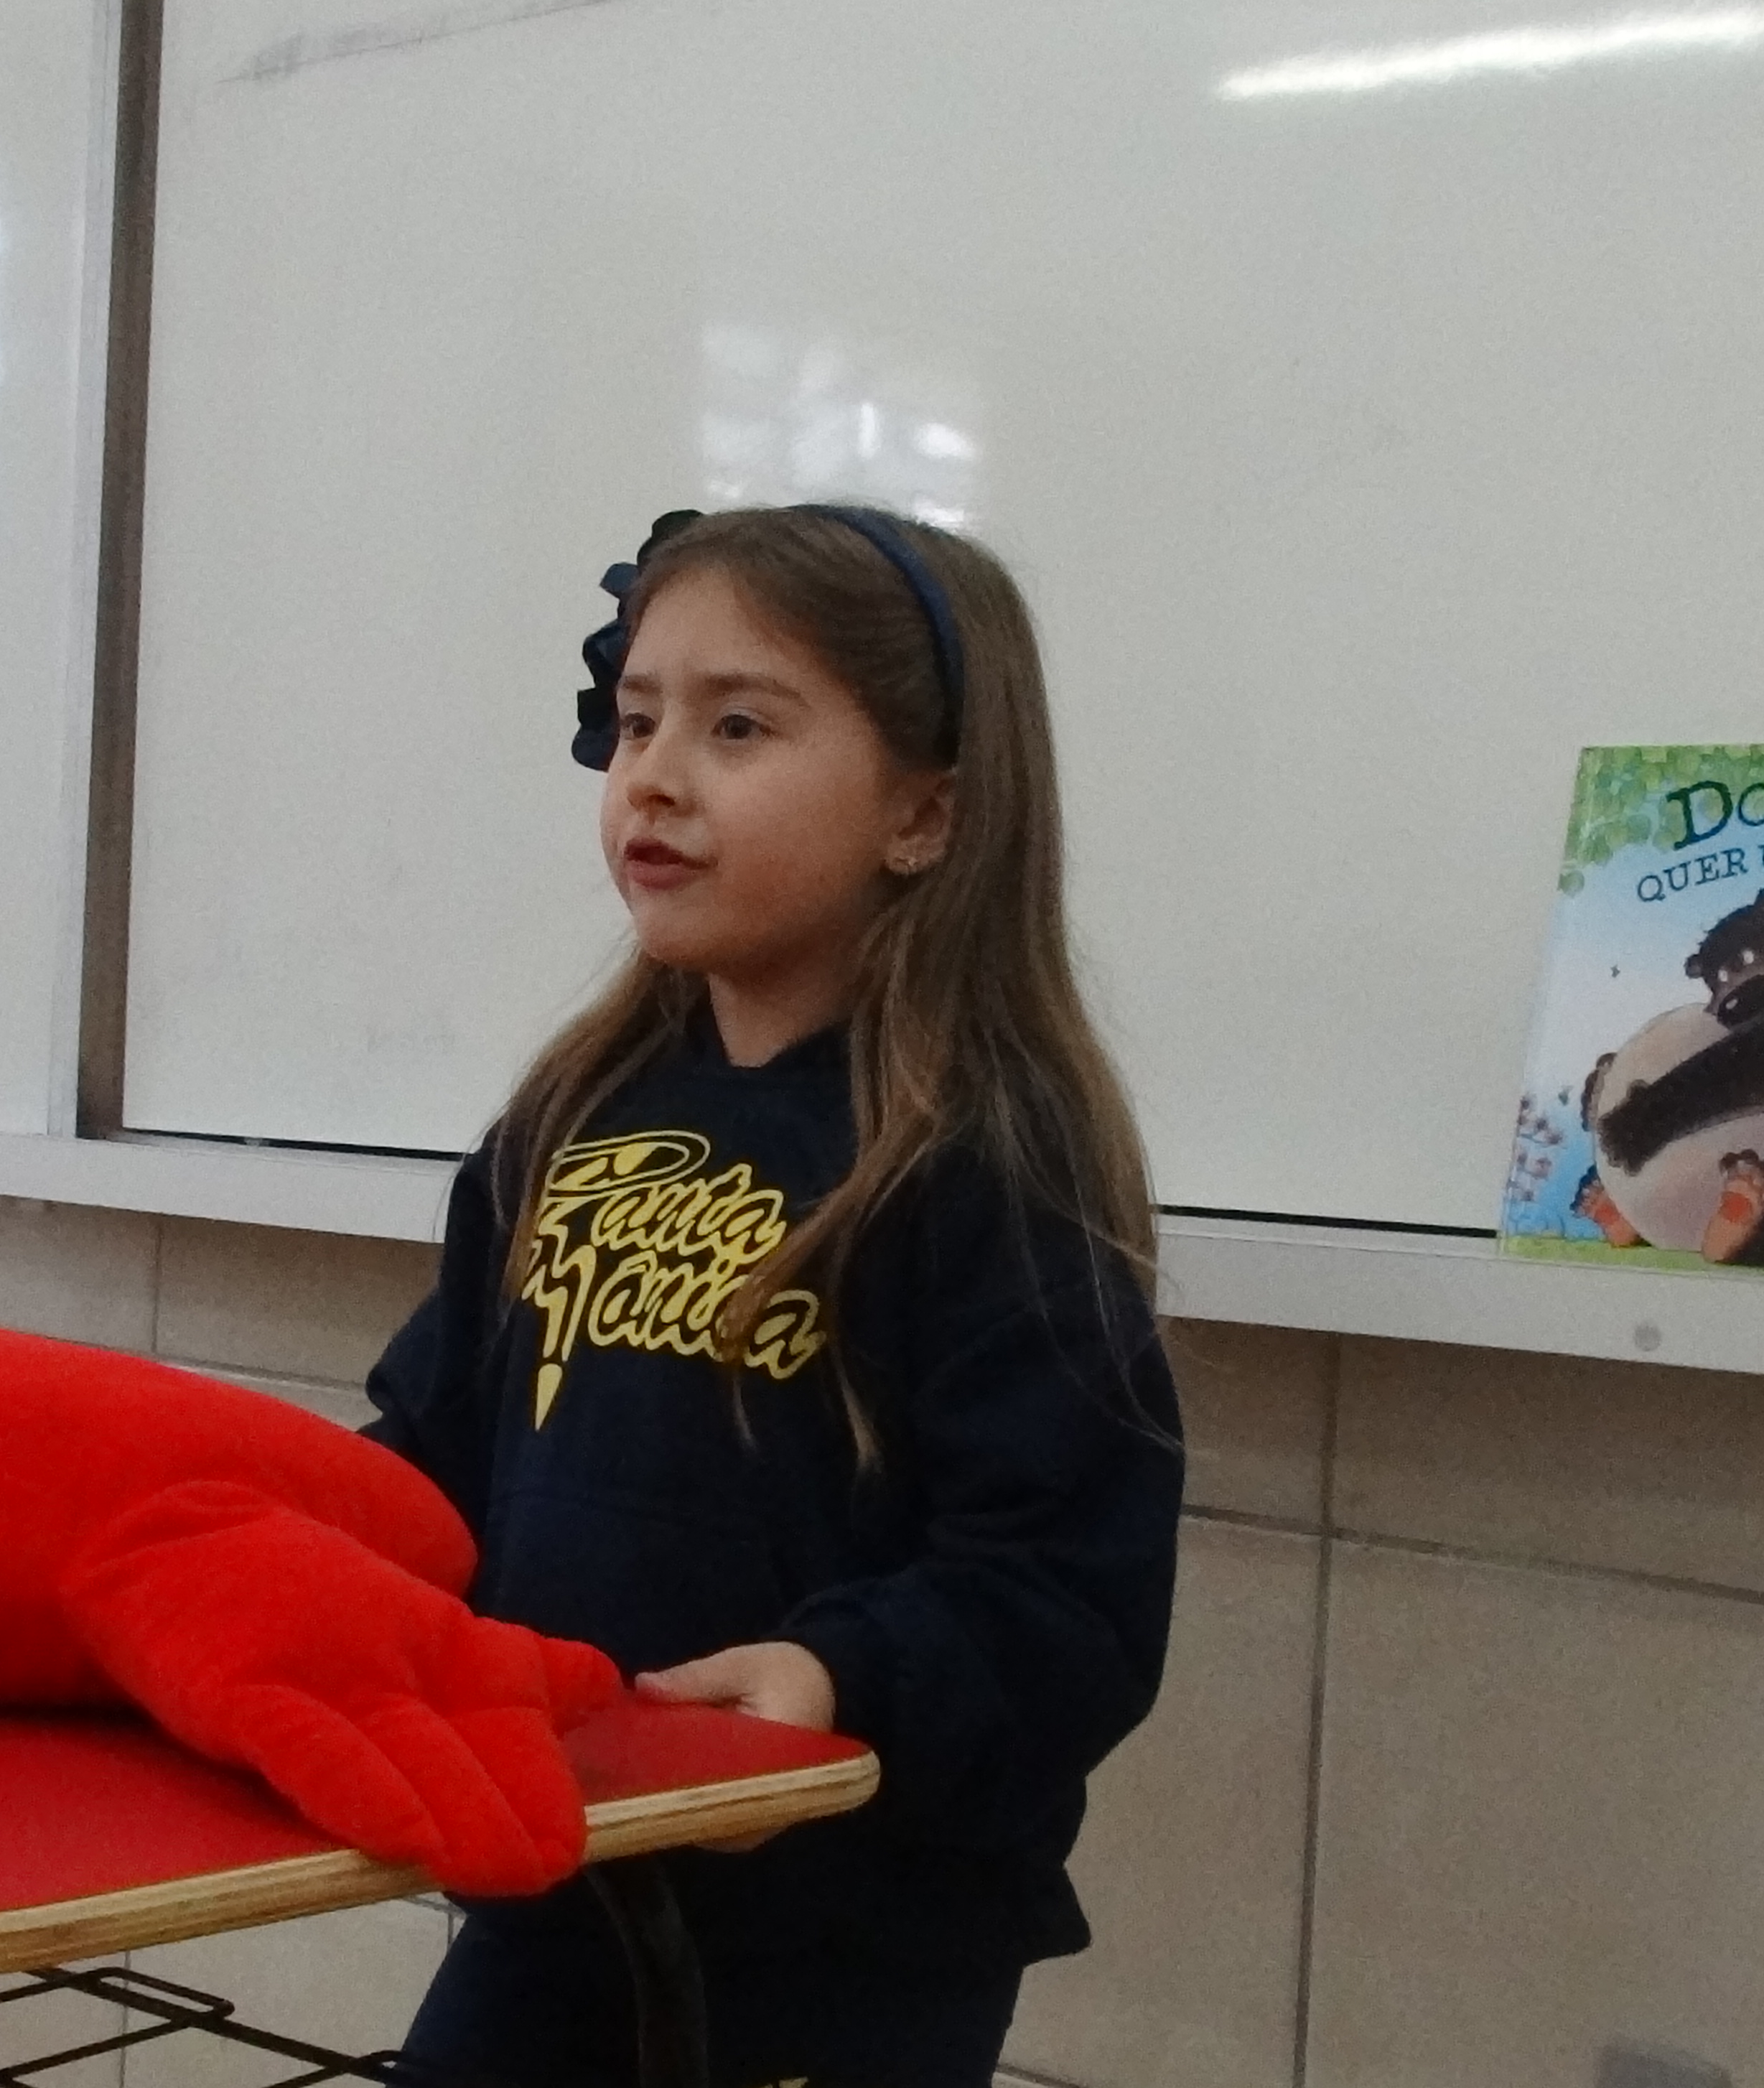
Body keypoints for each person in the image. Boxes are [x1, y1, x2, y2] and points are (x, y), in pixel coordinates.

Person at [362, 504, 1185, 2086]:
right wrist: (318, 1569)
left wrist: (836, 1676)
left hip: (854, 1946)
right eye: (635, 722)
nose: (654, 777)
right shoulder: (568, 1118)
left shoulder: (982, 1163)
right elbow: (433, 1448)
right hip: (556, 1885)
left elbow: (1069, 1590)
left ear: (926, 814)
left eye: (737, 727)